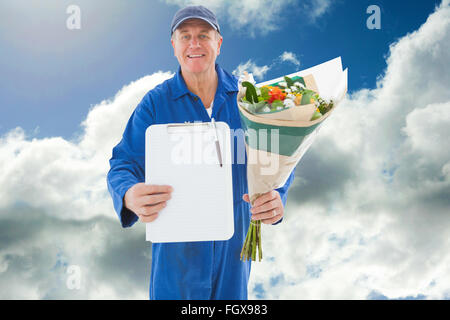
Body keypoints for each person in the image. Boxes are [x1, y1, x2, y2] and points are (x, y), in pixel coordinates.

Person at [107, 5, 296, 300]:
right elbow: (124, 162)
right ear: (174, 46)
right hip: (175, 255)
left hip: (234, 252)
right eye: (185, 36)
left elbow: (281, 155)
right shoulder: (155, 104)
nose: (194, 44)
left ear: (218, 43)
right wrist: (128, 194)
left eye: (203, 35)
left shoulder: (251, 99)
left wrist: (278, 196)